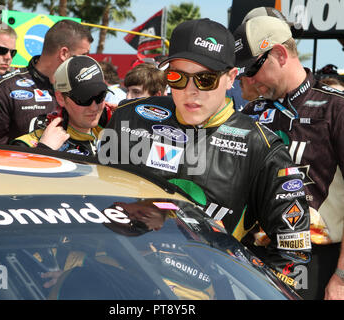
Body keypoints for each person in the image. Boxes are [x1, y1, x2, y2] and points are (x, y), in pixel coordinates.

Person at [99, 18, 311, 292]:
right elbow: (93, 203)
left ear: (231, 78)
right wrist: (74, 265)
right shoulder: (132, 117)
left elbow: (294, 254)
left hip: (195, 290)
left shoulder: (263, 148)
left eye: (206, 79)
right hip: (109, 274)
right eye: (177, 77)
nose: (191, 90)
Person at [234, 15, 344, 300]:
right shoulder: (249, 114)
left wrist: (341, 278)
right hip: (253, 257)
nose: (245, 79)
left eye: (251, 69)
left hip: (318, 262)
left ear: (280, 54)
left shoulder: (336, 109)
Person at [0, 19, 93, 145]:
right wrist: (41, 149)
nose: (87, 62)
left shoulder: (80, 89)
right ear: (64, 53)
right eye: (83, 55)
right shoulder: (6, 87)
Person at [11, 55, 107, 156]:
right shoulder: (28, 144)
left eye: (100, 96)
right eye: (84, 98)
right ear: (61, 98)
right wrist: (43, 151)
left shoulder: (114, 131)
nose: (94, 107)